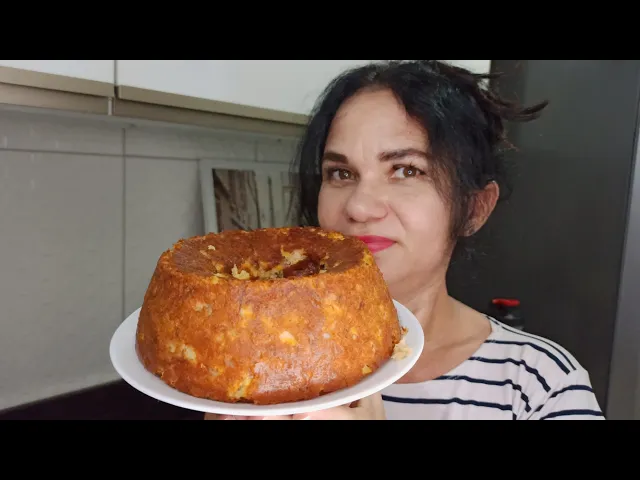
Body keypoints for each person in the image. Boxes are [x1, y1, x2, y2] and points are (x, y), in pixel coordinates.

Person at [209, 60, 604, 420]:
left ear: (475, 208)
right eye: (341, 174)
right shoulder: (251, 366)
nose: (359, 207)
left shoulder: (541, 389)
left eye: (406, 170)